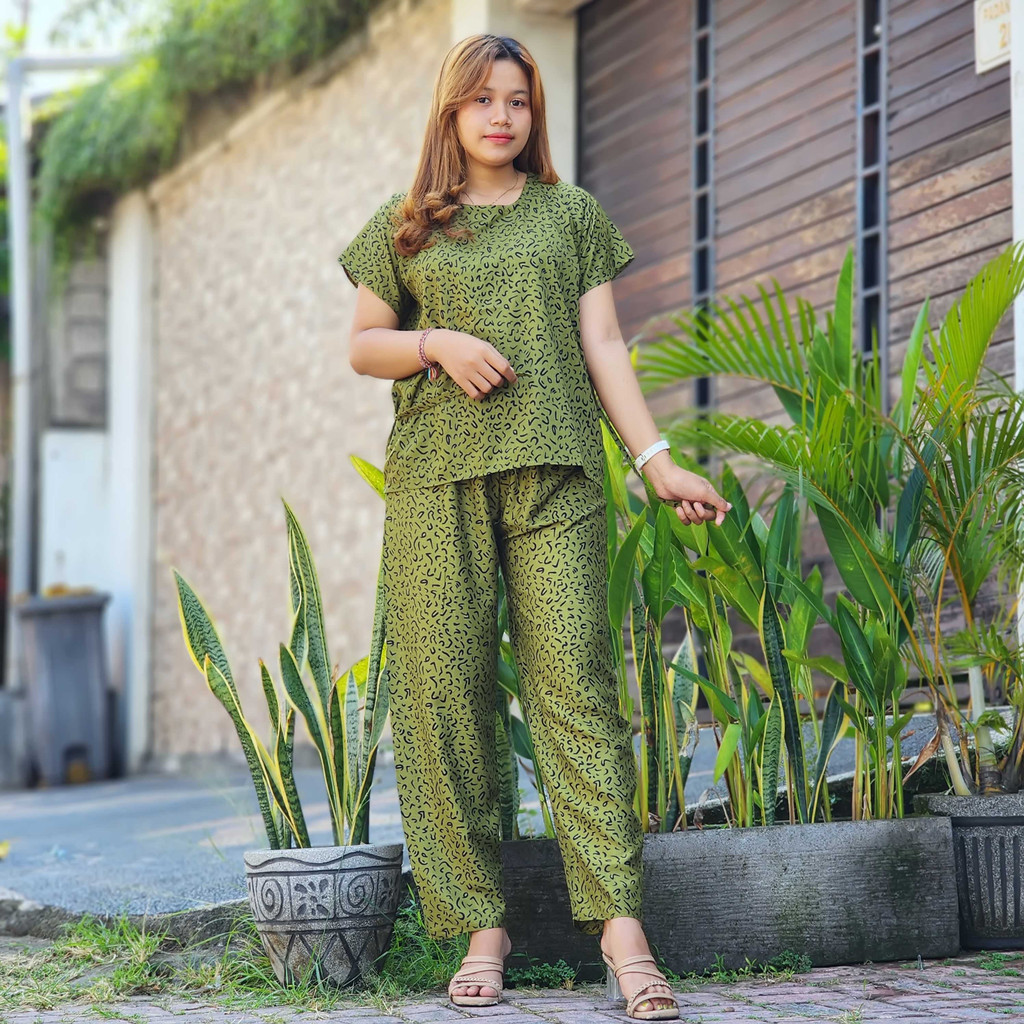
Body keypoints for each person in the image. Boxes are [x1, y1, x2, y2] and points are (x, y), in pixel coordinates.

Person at [339, 33, 730, 1022]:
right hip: (437, 484)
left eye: (517, 100)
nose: (501, 116)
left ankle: (621, 929)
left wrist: (656, 462)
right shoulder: (405, 224)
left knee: (577, 691)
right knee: (445, 699)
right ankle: (482, 928)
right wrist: (436, 342)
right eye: (482, 100)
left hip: (557, 476)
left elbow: (604, 344)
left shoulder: (572, 214)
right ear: (451, 112)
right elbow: (363, 346)